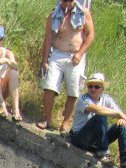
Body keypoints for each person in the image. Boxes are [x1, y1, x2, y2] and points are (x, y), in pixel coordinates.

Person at [37, 0, 95, 132]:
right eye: (64, 1)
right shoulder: (54, 14)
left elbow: (91, 35)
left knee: (73, 92)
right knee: (49, 87)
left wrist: (80, 53)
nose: (67, 3)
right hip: (57, 54)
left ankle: (66, 122)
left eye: (69, 1)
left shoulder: (84, 13)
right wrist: (45, 60)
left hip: (75, 56)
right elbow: (48, 38)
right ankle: (47, 119)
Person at [69, 72, 126, 168]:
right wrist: (117, 113)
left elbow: (124, 116)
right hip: (80, 138)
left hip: (97, 140)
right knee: (100, 117)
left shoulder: (107, 98)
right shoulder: (83, 99)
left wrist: (122, 119)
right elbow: (97, 109)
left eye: (96, 86)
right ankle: (103, 152)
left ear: (102, 88)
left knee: (124, 127)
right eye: (90, 86)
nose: (93, 89)